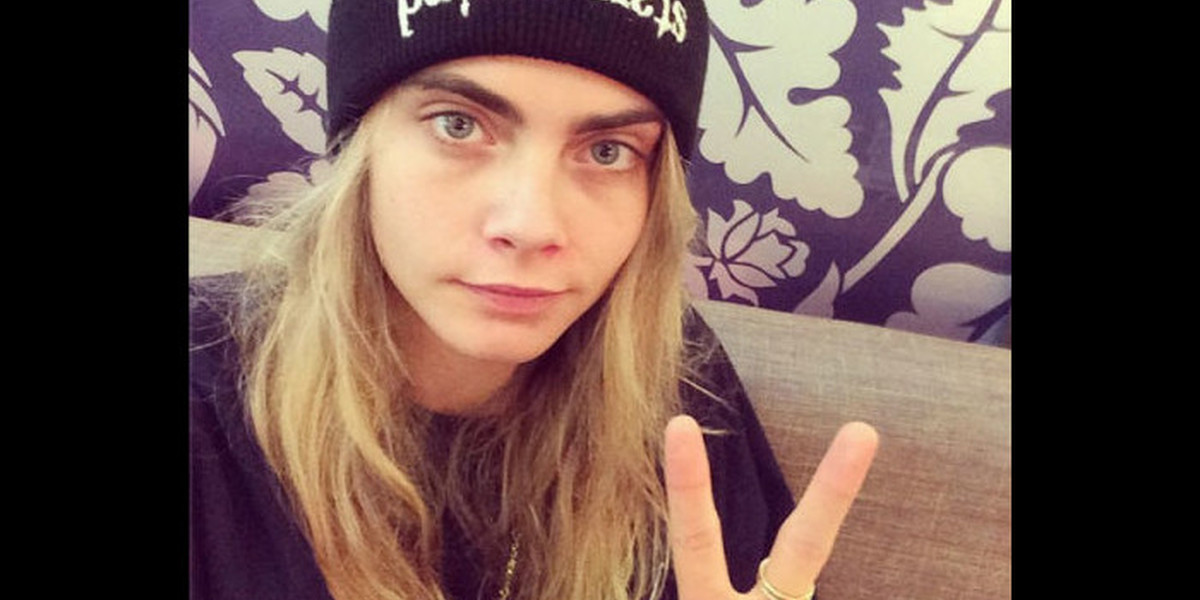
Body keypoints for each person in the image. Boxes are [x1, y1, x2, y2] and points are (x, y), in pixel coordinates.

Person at [189, 1, 878, 599]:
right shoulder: (204, 397)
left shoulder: (669, 372)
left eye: (608, 151)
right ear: (359, 149)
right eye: (458, 124)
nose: (531, 225)